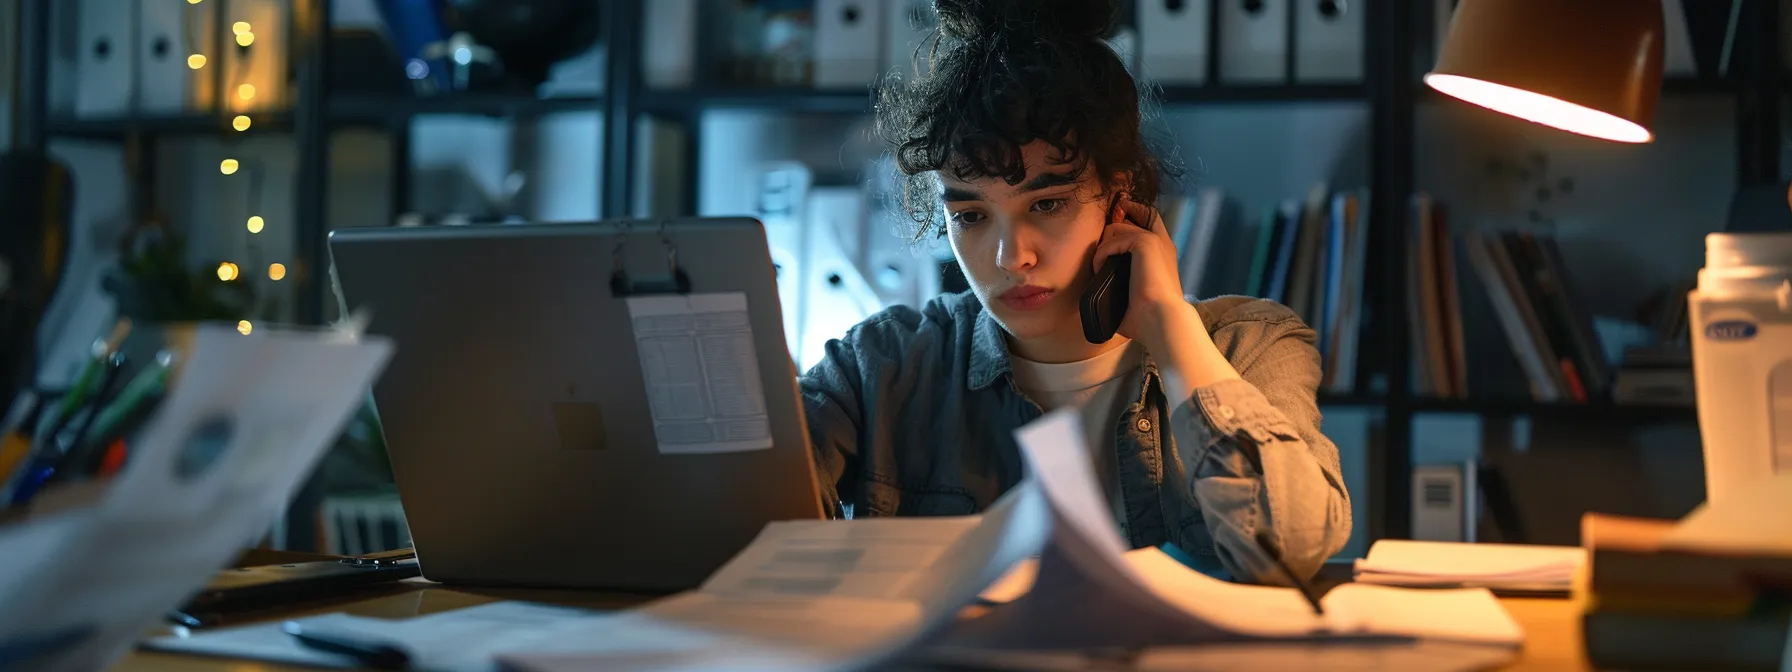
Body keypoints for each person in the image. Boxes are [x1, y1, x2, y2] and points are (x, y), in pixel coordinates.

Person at [799, 0, 1351, 585]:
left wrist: (1170, 330)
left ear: (1122, 198)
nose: (1013, 258)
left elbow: (1292, 545)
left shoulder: (1251, 348)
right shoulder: (883, 368)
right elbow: (730, 524)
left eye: (1048, 204)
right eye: (971, 216)